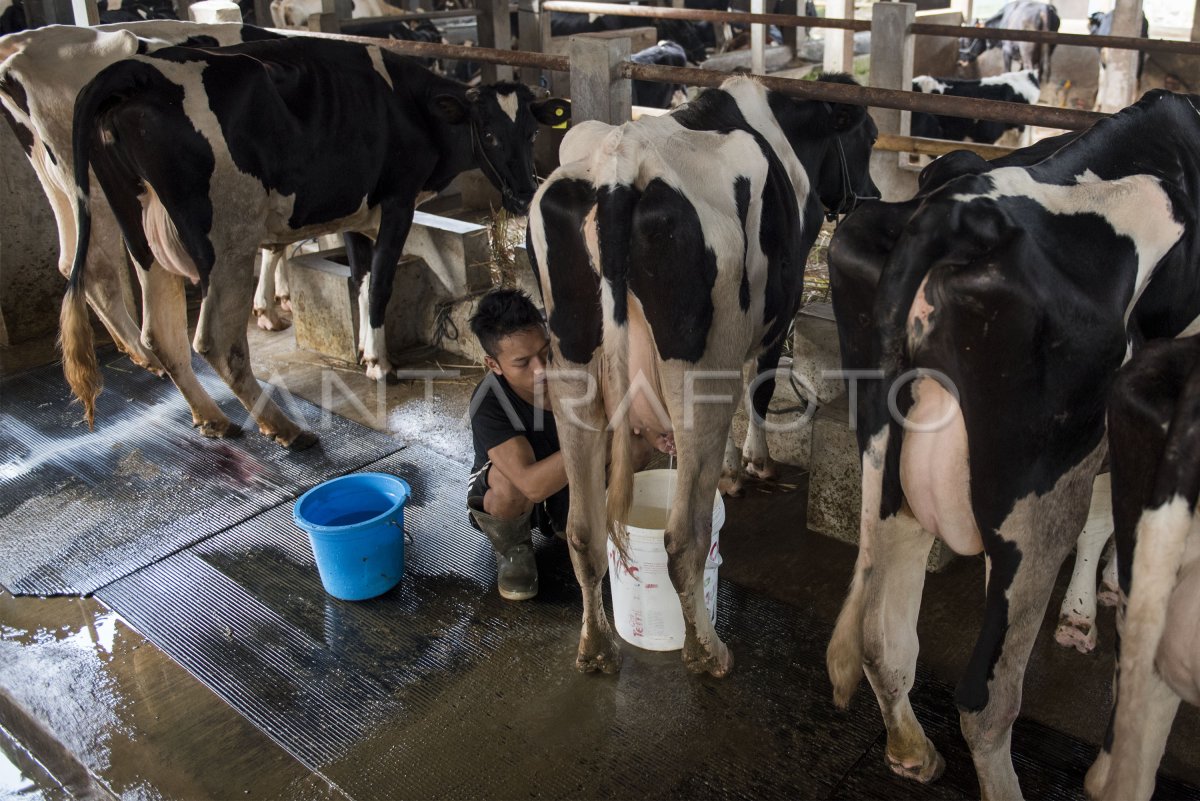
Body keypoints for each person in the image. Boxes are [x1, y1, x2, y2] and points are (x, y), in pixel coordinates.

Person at [466, 289, 567, 602]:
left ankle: (577, 521)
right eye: (522, 362)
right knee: (509, 484)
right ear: (494, 364)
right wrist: (601, 436)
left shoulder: (574, 366)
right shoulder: (488, 403)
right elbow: (532, 486)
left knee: (636, 445)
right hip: (523, 489)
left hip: (565, 474)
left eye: (545, 351)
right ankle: (514, 549)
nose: (541, 369)